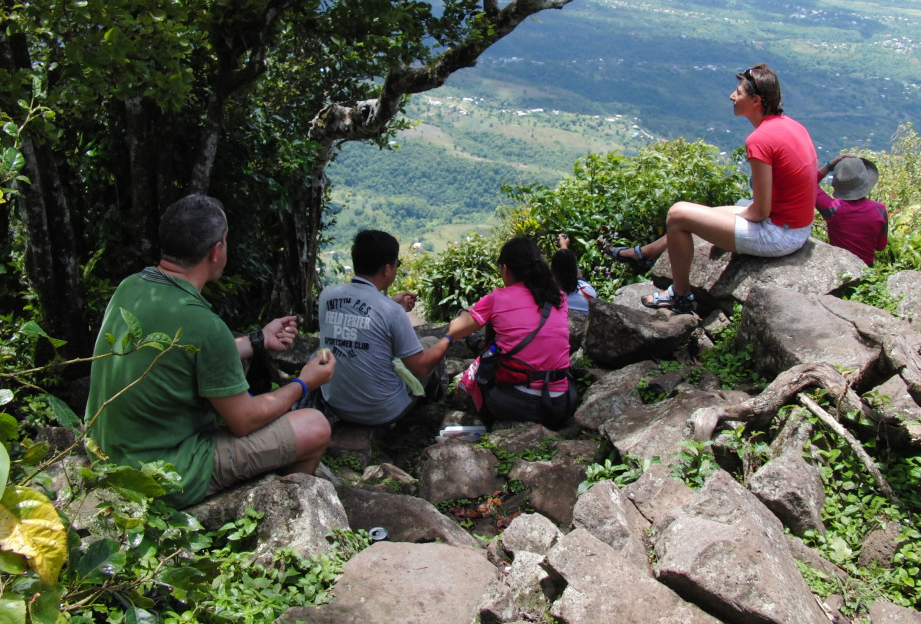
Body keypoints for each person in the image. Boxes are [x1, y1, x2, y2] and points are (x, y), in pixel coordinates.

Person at [86, 194, 335, 509]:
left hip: (106, 455)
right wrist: (304, 382)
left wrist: (258, 340)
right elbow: (244, 420)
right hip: (162, 472)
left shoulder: (131, 287)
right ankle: (285, 508)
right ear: (216, 251)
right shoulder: (205, 325)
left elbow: (181, 352)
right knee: (315, 425)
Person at [602, 64, 817, 313]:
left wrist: (731, 221)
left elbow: (759, 212)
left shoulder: (760, 140)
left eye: (738, 92)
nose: (732, 96)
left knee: (678, 214)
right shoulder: (792, 125)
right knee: (703, 215)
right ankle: (646, 254)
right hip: (797, 226)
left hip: (780, 235)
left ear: (756, 100)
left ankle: (680, 296)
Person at [313, 230, 451, 426]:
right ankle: (432, 403)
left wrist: (390, 303)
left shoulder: (327, 296)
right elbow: (421, 367)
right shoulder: (391, 311)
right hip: (382, 410)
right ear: (387, 269)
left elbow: (358, 317)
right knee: (431, 342)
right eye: (397, 264)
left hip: (336, 403)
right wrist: (451, 335)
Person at [446, 236, 574, 427]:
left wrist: (465, 313)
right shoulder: (559, 297)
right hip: (560, 402)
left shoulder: (497, 298)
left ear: (506, 269)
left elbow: (455, 331)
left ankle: (487, 422)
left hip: (518, 404)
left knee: (483, 371)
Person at [815, 154, 888, 266]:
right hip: (866, 269)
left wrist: (829, 166)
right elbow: (880, 246)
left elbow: (807, 183)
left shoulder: (832, 209)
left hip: (838, 267)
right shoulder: (880, 210)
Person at [551, 233, 596, 315]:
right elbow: (573, 271)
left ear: (553, 273)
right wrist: (564, 246)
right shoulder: (588, 292)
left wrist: (563, 246)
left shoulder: (549, 299)